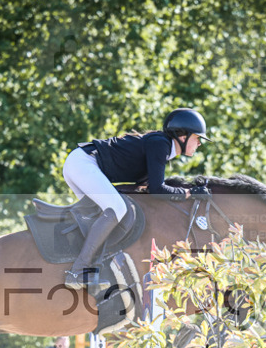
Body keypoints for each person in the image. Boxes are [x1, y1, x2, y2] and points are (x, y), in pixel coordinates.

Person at [61, 107, 213, 289]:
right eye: (197, 138)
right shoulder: (160, 144)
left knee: (105, 216)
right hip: (84, 164)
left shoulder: (161, 146)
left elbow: (148, 189)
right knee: (117, 209)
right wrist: (189, 193)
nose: (199, 144)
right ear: (183, 136)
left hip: (79, 164)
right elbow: (158, 190)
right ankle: (77, 272)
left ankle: (86, 267)